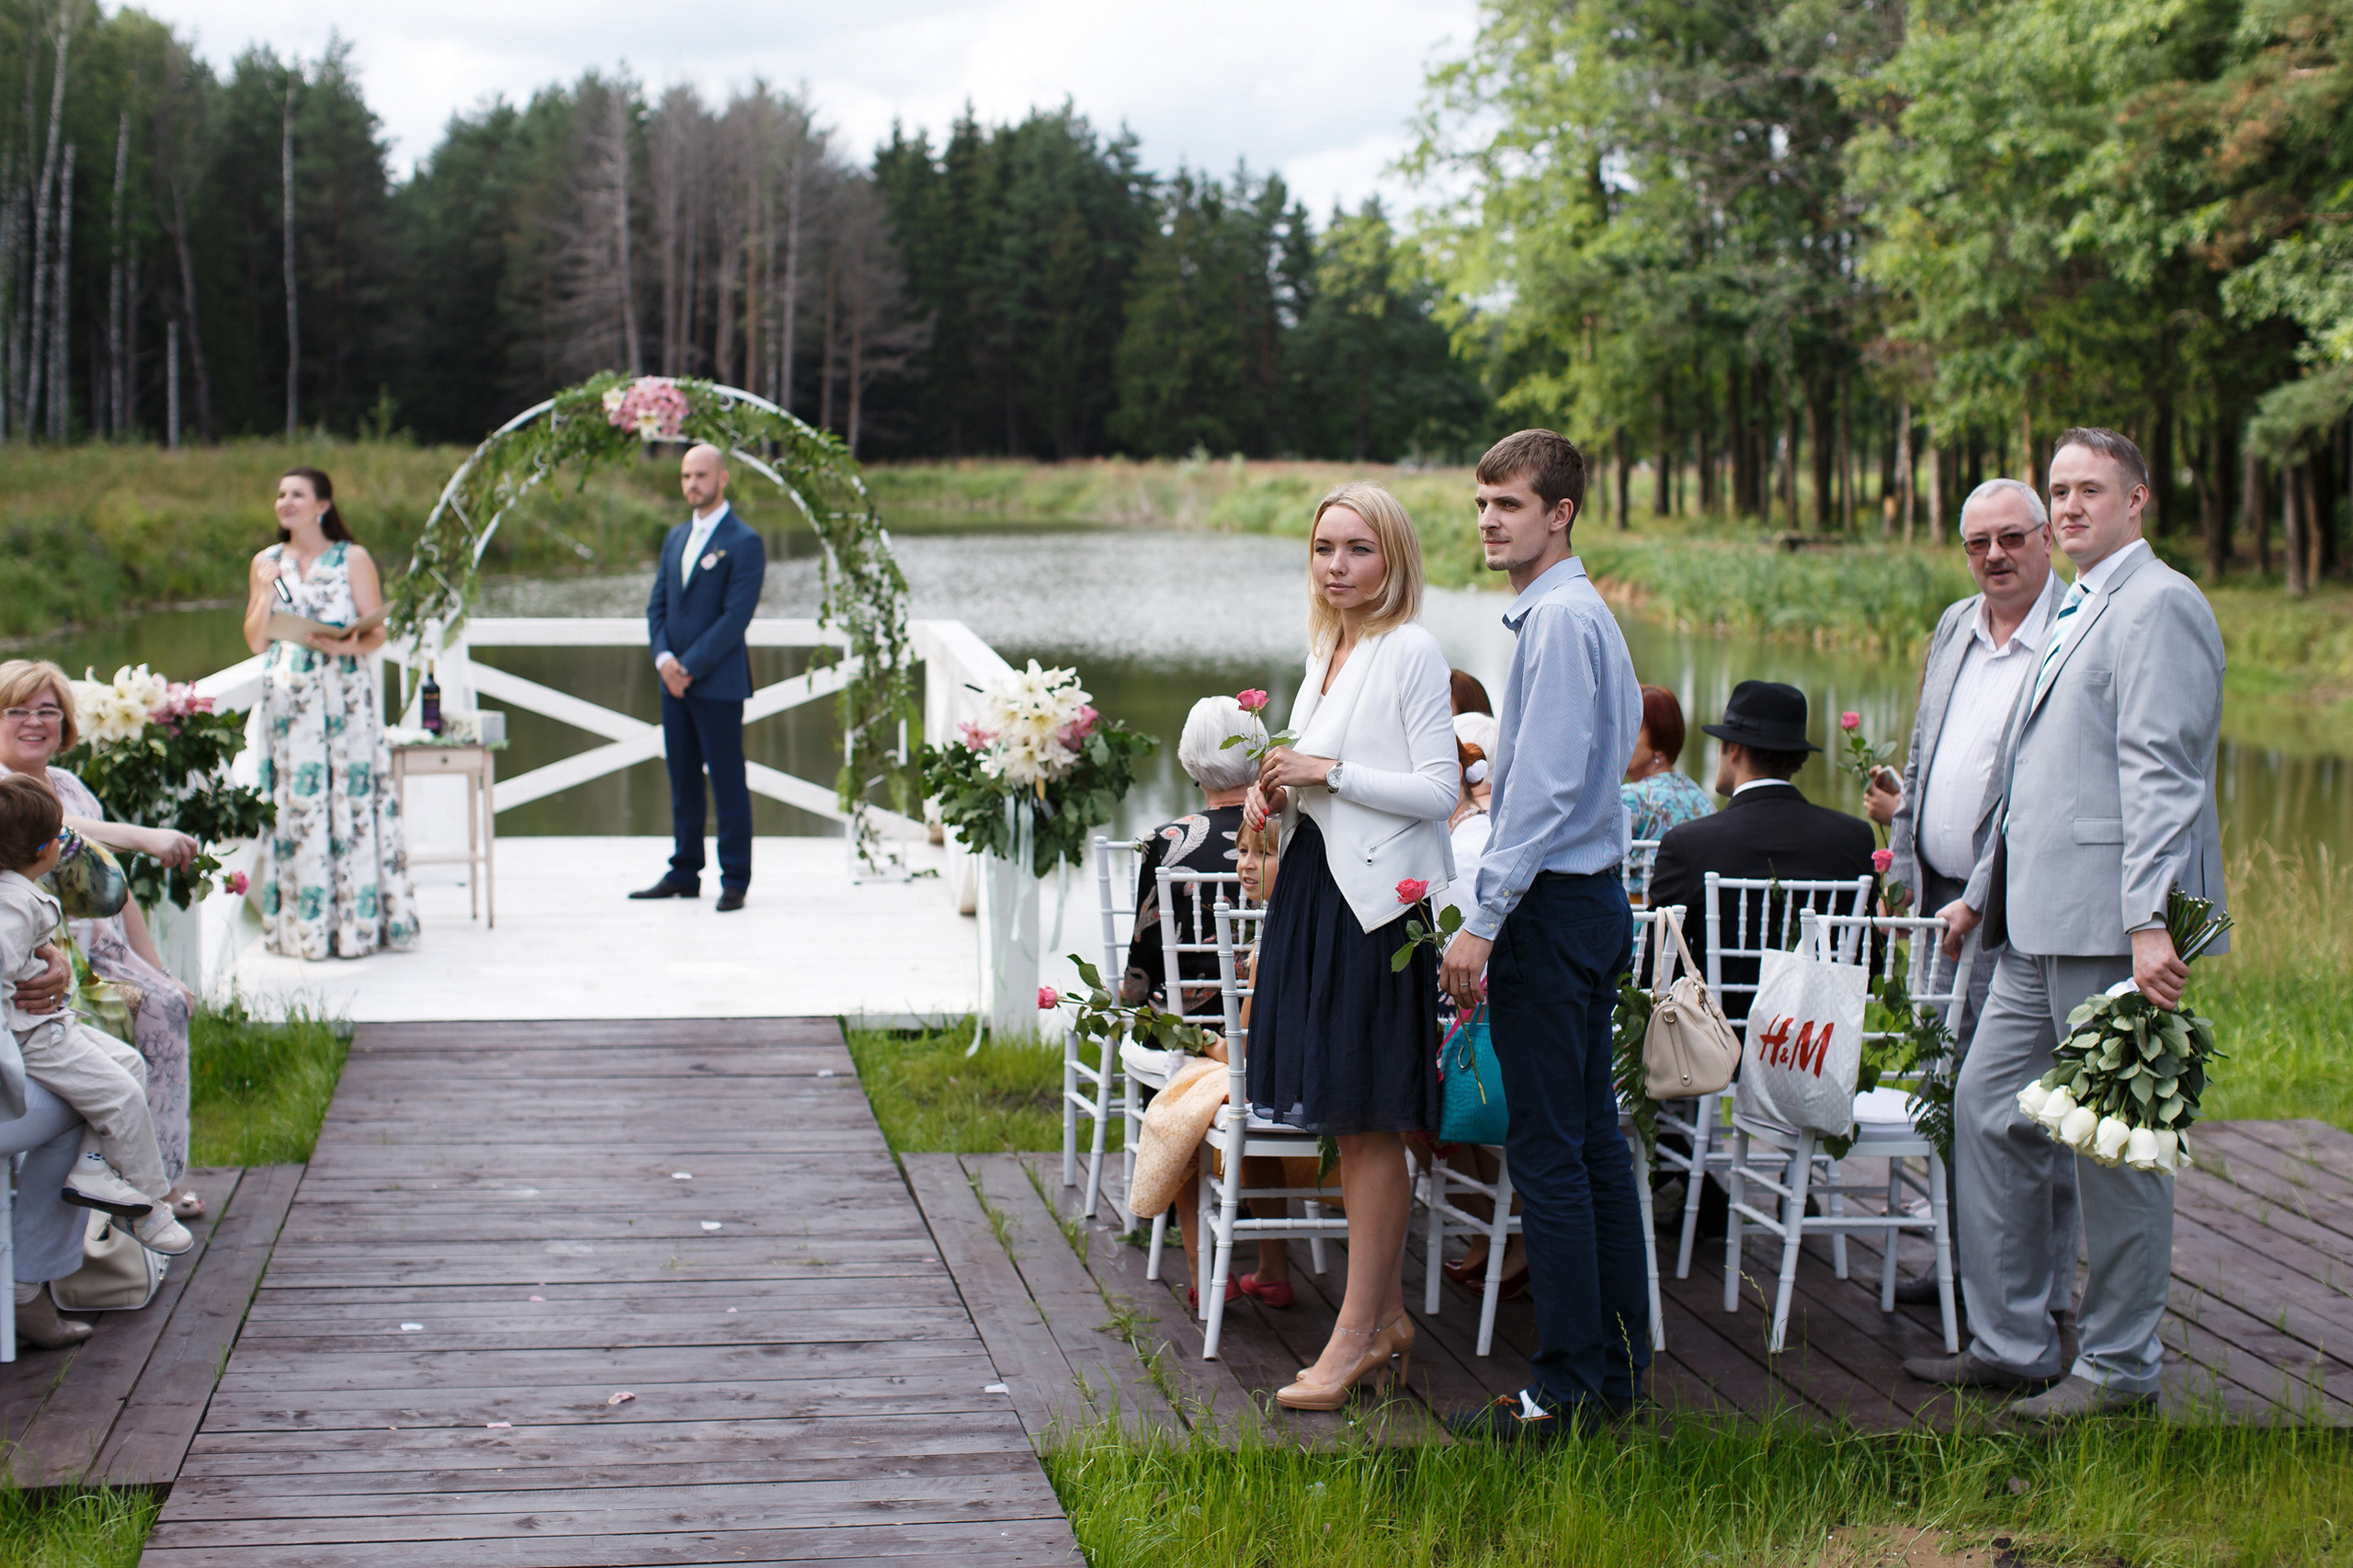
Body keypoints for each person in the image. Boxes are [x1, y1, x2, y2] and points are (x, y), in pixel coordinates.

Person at [1906, 428, 2225, 1421]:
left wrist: (2152, 920)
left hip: (2112, 928)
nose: (2072, 504)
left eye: (2091, 488)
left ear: (2137, 499)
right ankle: (2011, 1343)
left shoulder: (2161, 603)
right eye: (2061, 488)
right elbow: (2027, 778)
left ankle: (2120, 1370)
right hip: (2029, 922)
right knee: (1984, 1111)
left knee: (2117, 1145)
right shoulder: (2078, 602)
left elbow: (2164, 774)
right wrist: (1980, 893)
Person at [1436, 429, 1647, 1441]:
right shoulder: (1574, 613)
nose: (1489, 520)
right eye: (1483, 503)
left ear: (1559, 514)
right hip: (1587, 901)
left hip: (1554, 911)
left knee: (1551, 1155)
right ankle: (1615, 1369)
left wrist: (1483, 917)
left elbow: (1552, 787)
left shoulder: (1560, 621)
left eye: (1509, 504)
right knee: (1592, 1144)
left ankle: (1562, 1394)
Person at [1243, 481, 1458, 1411]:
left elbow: (1439, 789)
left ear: (1392, 558)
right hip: (1316, 895)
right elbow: (1324, 783)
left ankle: (1358, 1333)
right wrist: (1278, 791)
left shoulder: (1409, 648)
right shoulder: (1325, 650)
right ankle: (1385, 1319)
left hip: (1375, 911)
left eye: (1358, 548)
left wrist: (1324, 771)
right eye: (1325, 547)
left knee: (1369, 1120)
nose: (1337, 565)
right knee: (1348, 1118)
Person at [1865, 478, 2075, 1308]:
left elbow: (2033, 792)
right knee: (1942, 1085)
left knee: (2026, 1103)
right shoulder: (1956, 624)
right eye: (1979, 543)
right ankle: (1960, 1267)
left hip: (2015, 908)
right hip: (1936, 900)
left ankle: (2042, 1288)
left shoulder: (2071, 631)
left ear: (2046, 539)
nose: (1995, 556)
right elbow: (1921, 756)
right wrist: (1901, 877)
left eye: (2012, 538)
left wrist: (1980, 896)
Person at [0, 660, 204, 1219]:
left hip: (103, 946)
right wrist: (142, 836)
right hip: (57, 953)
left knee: (167, 1002)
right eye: (17, 711)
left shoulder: (68, 785)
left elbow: (113, 886)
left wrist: (158, 969)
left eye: (47, 711)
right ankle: (126, 1185)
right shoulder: (6, 793)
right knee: (120, 1022)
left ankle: (157, 1176)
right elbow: (59, 830)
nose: (34, 722)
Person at [0, 774, 191, 1256]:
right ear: (46, 849)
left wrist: (48, 958)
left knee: (128, 1064)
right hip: (30, 1036)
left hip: (47, 1023)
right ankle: (149, 1206)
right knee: (119, 1095)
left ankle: (93, 1166)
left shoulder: (18, 894)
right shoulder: (14, 903)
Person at [242, 467, 418, 960]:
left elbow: (377, 632)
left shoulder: (351, 558)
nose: (285, 502)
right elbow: (255, 640)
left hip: (345, 698)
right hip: (291, 704)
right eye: (281, 494)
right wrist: (264, 591)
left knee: (351, 804)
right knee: (300, 808)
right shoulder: (266, 561)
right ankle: (305, 930)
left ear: (322, 505)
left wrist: (345, 646)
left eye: (297, 494)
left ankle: (359, 927)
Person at [1644, 682, 1878, 1024]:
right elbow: (1868, 966)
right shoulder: (1854, 840)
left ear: (1734, 750)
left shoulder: (1687, 844)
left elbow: (1657, 970)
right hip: (1816, 1043)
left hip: (1715, 1045)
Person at [632, 443, 767, 913]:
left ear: (722, 478)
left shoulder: (745, 541)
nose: (692, 483)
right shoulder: (675, 538)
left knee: (728, 781)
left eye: (701, 475)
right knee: (683, 779)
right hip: (672, 683)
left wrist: (689, 667)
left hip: (718, 683)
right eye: (686, 475)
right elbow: (657, 606)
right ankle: (685, 871)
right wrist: (664, 660)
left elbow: (735, 618)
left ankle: (735, 878)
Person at [1121, 696, 1256, 1013]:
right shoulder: (1286, 834)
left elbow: (1144, 956)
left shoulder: (1166, 842)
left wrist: (1129, 995)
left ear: (1191, 762)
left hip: (1181, 1024)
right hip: (1273, 1019)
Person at [1620, 685, 1714, 844]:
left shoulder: (1631, 799)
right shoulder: (1700, 797)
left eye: (1632, 729)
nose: (1621, 738)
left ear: (1659, 742)